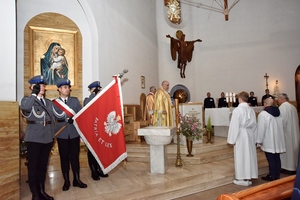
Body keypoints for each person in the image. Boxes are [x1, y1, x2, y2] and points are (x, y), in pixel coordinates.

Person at [20, 75, 55, 200]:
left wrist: (52, 137)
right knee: (33, 166)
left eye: (43, 85)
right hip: (34, 138)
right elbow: (25, 108)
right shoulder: (27, 100)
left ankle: (41, 191)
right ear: (32, 86)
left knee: (42, 166)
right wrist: (33, 94)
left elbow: (51, 120)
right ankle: (35, 195)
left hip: (47, 137)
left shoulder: (49, 103)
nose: (42, 87)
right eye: (39, 85)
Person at [53, 79, 87, 191]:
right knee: (64, 158)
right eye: (64, 87)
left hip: (74, 133)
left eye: (68, 87)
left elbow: (81, 115)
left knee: (75, 157)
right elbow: (52, 119)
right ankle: (66, 181)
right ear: (59, 89)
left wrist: (76, 119)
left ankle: (76, 179)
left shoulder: (75, 101)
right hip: (62, 133)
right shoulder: (54, 103)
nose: (67, 89)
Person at [227, 91, 258, 186]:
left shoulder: (237, 110)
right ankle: (248, 177)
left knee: (241, 156)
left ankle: (241, 178)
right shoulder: (251, 110)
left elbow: (234, 126)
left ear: (240, 99)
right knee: (249, 156)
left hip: (241, 134)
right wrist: (255, 138)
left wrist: (231, 140)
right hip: (249, 134)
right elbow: (255, 125)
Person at [83, 81, 109, 181]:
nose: (99, 91)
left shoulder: (102, 100)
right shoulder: (87, 100)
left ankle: (99, 169)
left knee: (100, 151)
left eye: (99, 89)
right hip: (91, 130)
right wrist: (93, 94)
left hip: (100, 129)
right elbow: (88, 105)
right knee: (92, 151)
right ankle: (93, 171)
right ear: (91, 90)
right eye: (96, 89)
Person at [257, 98, 286, 181]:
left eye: (264, 103)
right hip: (278, 139)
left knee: (271, 158)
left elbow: (261, 129)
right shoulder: (279, 113)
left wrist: (259, 141)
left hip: (269, 140)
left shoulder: (263, 114)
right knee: (277, 157)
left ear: (266, 103)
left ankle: (272, 175)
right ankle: (277, 174)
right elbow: (283, 125)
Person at [278, 93, 300, 174]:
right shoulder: (292, 106)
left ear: (281, 99)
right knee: (293, 150)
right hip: (294, 131)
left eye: (278, 99)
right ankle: (294, 166)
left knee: (287, 151)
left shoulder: (282, 107)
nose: (278, 100)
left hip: (287, 133)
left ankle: (287, 167)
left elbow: (282, 121)